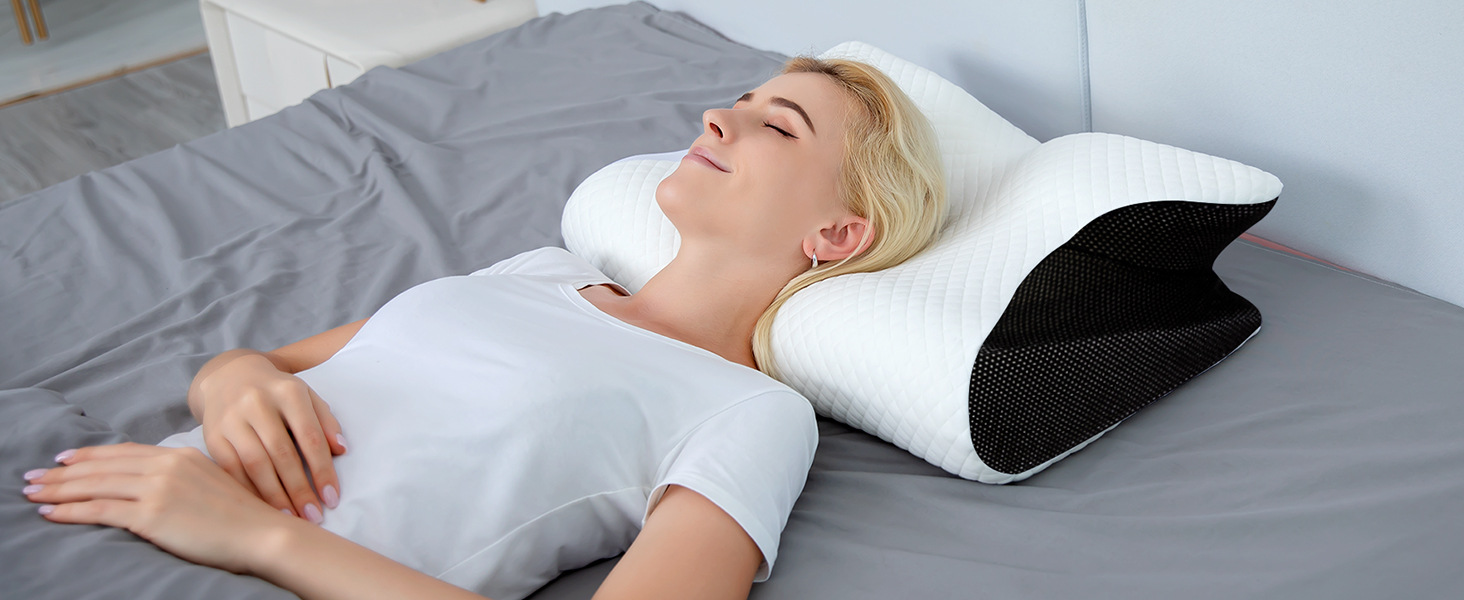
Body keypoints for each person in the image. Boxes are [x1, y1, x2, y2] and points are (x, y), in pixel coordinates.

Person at [21, 55, 947, 600]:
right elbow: (265, 364)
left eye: (778, 127)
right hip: (87, 497)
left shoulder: (751, 412)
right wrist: (229, 380)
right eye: (736, 103)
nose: (716, 117)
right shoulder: (541, 271)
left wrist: (256, 538)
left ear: (838, 234)